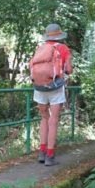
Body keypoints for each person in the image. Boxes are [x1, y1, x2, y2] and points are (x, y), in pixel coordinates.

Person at [29, 23, 73, 166]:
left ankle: (41, 153)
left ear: (47, 36)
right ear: (59, 35)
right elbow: (69, 69)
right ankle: (50, 155)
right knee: (53, 120)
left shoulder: (40, 49)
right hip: (55, 87)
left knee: (44, 118)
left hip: (39, 87)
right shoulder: (63, 49)